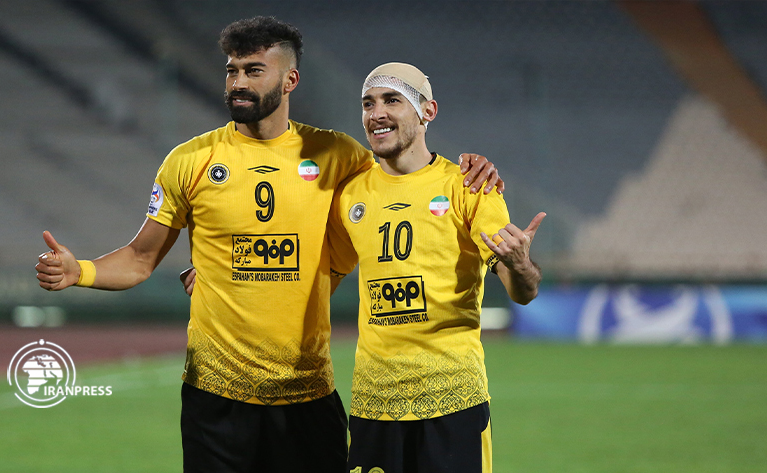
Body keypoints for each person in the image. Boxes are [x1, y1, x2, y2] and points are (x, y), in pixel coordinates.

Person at [36, 16, 503, 473]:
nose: (237, 82)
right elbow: (141, 258)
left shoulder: (338, 156)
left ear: (290, 80)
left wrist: (471, 165)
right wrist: (82, 272)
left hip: (307, 394)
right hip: (215, 397)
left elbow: (407, 170)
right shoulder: (190, 161)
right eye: (231, 70)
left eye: (254, 71)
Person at [325, 63, 545, 473]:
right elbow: (318, 273)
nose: (377, 113)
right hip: (376, 401)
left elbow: (522, 291)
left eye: (393, 100)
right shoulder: (349, 194)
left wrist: (521, 264)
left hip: (453, 401)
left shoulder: (469, 186)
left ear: (428, 111)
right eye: (368, 103)